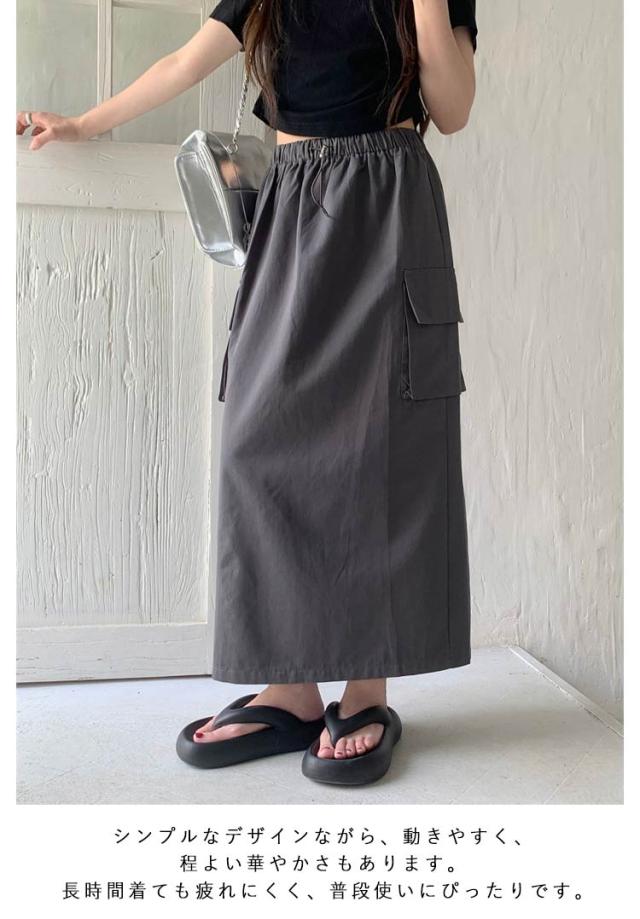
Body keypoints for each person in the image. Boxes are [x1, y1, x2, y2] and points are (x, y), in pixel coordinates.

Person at [17, 0, 478, 786]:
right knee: (256, 440)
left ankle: (366, 688)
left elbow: (454, 109)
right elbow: (183, 62)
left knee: (385, 445)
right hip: (293, 205)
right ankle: (289, 686)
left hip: (391, 208)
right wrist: (86, 124)